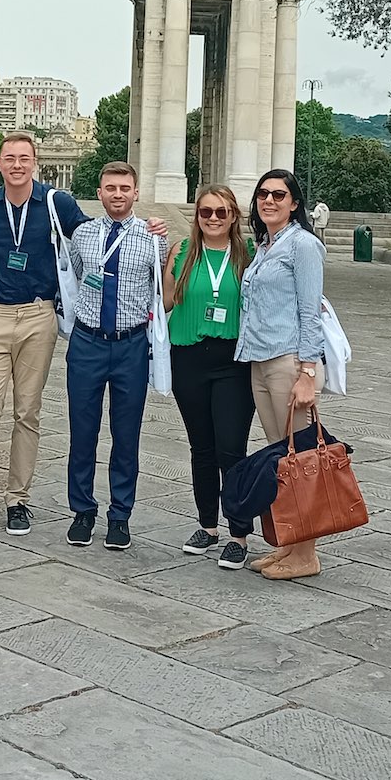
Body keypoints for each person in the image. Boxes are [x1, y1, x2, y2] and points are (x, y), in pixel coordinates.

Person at [0, 132, 166, 540]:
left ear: (35, 163)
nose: (17, 164)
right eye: (10, 158)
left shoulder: (59, 205)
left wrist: (155, 231)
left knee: (29, 413)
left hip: (42, 316)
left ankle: (19, 499)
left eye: (24, 158)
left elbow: (153, 277)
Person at [63, 162, 166, 552]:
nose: (118, 194)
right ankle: (82, 510)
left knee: (126, 434)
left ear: (136, 192)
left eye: (125, 187)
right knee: (82, 430)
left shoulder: (153, 237)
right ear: (100, 192)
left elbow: (162, 286)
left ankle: (120, 515)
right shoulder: (84, 235)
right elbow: (73, 279)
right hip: (88, 342)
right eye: (110, 188)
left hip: (130, 344)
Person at [235, 167, 328, 580]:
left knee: (302, 458)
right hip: (260, 359)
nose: (269, 201)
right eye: (263, 195)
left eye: (278, 195)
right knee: (282, 456)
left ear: (294, 203)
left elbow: (311, 311)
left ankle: (306, 553)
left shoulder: (303, 245)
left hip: (289, 362)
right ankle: (291, 544)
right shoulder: (265, 246)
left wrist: (307, 372)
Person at [163, 184, 256, 569]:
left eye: (221, 212)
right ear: (196, 216)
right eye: (206, 212)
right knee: (201, 448)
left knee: (231, 449)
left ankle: (238, 532)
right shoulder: (181, 253)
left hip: (232, 361)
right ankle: (207, 525)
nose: (213, 219)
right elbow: (166, 301)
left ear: (234, 216)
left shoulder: (248, 256)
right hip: (188, 356)